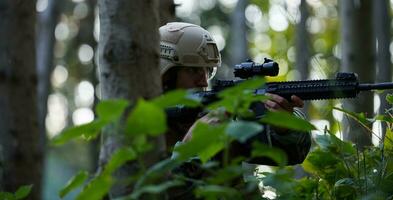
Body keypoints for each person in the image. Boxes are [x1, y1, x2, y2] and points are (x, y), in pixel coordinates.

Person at [160, 22, 311, 164]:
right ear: (166, 75)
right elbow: (157, 189)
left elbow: (292, 155)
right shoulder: (142, 132)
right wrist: (190, 147)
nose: (204, 82)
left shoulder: (212, 121)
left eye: (207, 71)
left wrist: (284, 128)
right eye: (193, 70)